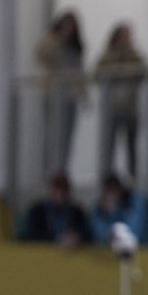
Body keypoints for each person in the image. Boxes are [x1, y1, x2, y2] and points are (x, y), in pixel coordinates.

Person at [35, 11, 87, 174]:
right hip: (54, 93)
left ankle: (62, 170)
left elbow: (78, 71)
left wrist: (83, 93)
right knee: (52, 135)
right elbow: (41, 55)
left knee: (67, 137)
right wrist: (58, 40)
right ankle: (48, 171)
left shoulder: (75, 46)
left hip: (70, 96)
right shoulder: (51, 40)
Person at [95, 23, 148, 179]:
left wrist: (130, 58)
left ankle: (133, 175)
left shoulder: (134, 55)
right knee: (109, 144)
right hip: (113, 108)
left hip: (130, 108)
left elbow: (143, 73)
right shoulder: (108, 55)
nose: (127, 40)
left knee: (132, 143)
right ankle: (107, 176)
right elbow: (98, 75)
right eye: (124, 36)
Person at [20, 172, 91, 248]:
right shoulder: (37, 211)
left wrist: (77, 237)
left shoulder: (77, 213)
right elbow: (31, 234)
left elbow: (87, 234)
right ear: (51, 190)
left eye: (64, 189)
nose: (60, 193)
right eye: (57, 189)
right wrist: (57, 239)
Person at [89, 173, 148, 246]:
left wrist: (113, 215)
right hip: (111, 253)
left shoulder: (136, 201)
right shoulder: (100, 208)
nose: (112, 195)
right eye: (109, 190)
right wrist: (107, 215)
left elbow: (133, 234)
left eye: (114, 188)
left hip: (146, 251)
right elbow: (100, 237)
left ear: (121, 188)